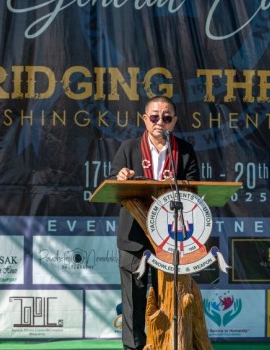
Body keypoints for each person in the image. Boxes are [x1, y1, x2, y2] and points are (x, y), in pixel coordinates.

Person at [110, 96, 199, 350]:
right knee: (134, 298)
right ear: (144, 119)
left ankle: (167, 345)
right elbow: (112, 182)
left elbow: (194, 189)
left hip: (170, 237)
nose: (161, 122)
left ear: (175, 121)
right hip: (133, 235)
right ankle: (134, 347)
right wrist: (121, 177)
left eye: (167, 118)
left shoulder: (185, 151)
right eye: (154, 116)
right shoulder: (128, 148)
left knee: (168, 297)